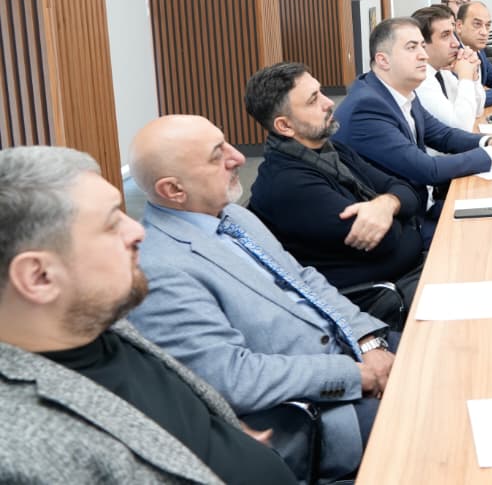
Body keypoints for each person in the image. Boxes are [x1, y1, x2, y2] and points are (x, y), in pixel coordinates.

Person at [0, 146, 295, 485]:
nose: (138, 231)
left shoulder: (99, 321)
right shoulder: (26, 450)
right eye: (112, 223)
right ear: (39, 277)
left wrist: (231, 437)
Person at [127, 116, 393, 481]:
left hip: (351, 351)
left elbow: (304, 280)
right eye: (217, 155)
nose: (238, 157)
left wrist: (368, 340)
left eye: (227, 143)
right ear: (173, 189)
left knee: (450, 348)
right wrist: (355, 375)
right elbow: (234, 377)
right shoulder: (159, 269)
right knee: (438, 412)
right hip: (321, 409)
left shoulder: (234, 215)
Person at [245, 62, 427, 320]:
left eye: (321, 92)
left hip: (410, 271)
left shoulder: (331, 150)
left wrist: (386, 205)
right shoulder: (289, 185)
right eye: (313, 100)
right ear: (284, 126)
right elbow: (387, 241)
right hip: (377, 301)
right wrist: (399, 209)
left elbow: (407, 191)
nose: (329, 102)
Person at [333, 17, 492, 204]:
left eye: (422, 46)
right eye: (411, 47)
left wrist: (488, 141)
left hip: (426, 198)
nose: (423, 55)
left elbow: (443, 135)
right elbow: (428, 169)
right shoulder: (366, 108)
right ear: (383, 60)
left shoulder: (400, 90)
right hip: (405, 215)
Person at [411, 4, 486, 130]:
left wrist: (473, 77)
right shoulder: (420, 81)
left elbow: (477, 111)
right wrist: (465, 77)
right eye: (445, 35)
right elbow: (462, 127)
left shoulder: (442, 70)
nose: (456, 43)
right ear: (423, 43)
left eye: (453, 34)